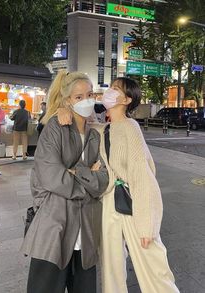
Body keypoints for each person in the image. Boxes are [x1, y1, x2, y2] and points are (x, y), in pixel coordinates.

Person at [57, 77, 180, 293]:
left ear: (127, 99)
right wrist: (62, 110)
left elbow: (143, 177)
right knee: (111, 269)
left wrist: (147, 224)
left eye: (116, 89)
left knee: (153, 265)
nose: (109, 92)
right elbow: (81, 124)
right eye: (110, 88)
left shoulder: (130, 127)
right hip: (108, 204)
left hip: (132, 204)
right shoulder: (103, 128)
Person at [21, 70, 109, 293]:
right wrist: (88, 176)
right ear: (68, 100)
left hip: (87, 228)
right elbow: (52, 177)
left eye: (89, 94)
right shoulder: (55, 128)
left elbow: (104, 179)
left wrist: (75, 171)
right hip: (55, 224)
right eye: (79, 97)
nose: (86, 100)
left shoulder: (95, 134)